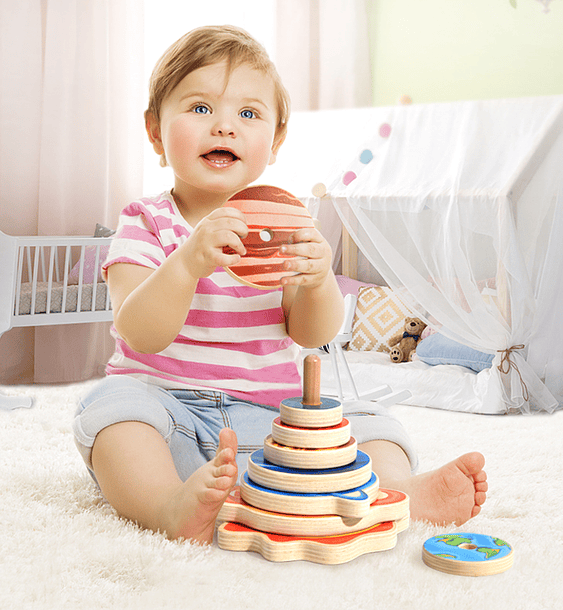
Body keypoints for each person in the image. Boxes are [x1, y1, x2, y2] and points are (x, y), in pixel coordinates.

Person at [73, 25, 487, 545]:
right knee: (110, 410)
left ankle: (395, 493)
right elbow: (139, 332)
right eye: (200, 108)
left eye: (248, 114)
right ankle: (167, 506)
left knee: (368, 419)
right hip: (168, 416)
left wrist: (316, 282)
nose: (225, 127)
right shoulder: (145, 223)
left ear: (275, 140)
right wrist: (186, 263)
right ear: (155, 131)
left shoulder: (284, 226)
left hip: (274, 428)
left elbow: (312, 333)